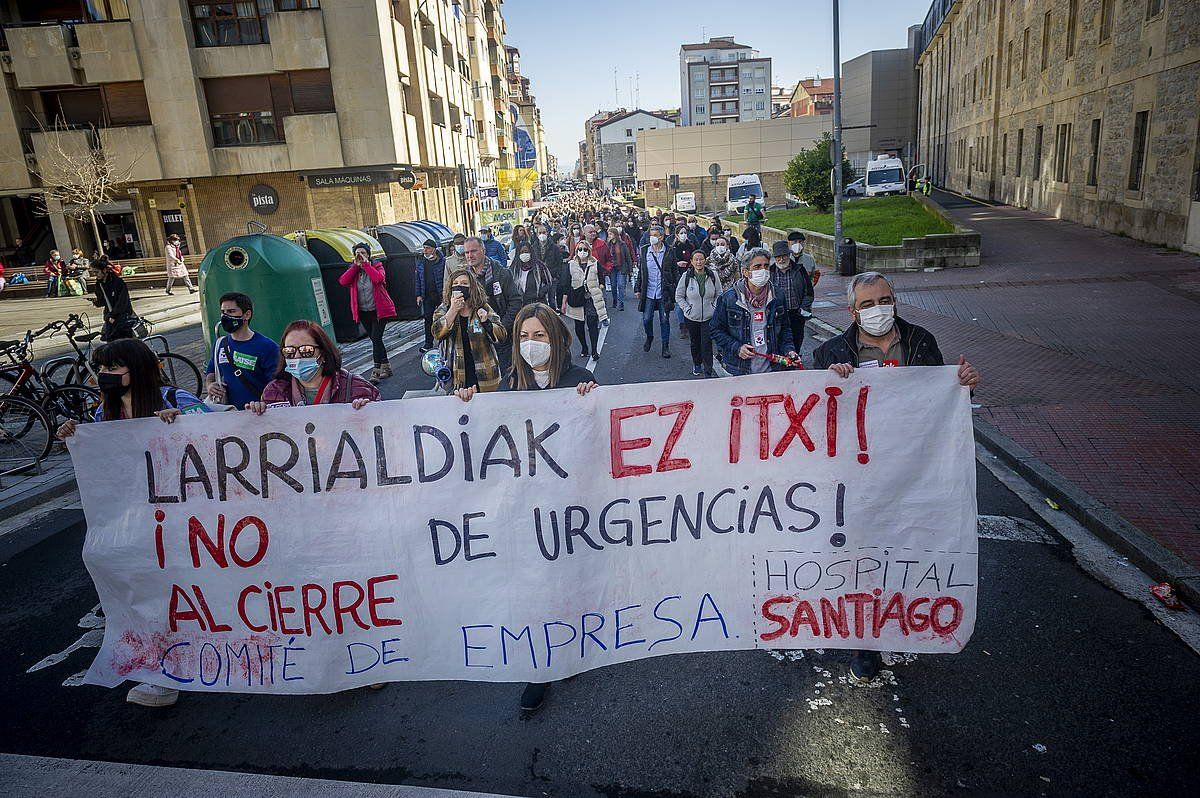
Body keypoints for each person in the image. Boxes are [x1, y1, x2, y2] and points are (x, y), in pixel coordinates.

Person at [813, 271, 980, 683]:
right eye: (867, 304)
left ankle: (907, 618)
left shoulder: (921, 341)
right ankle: (865, 642)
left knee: (910, 550)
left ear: (895, 301)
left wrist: (962, 386)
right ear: (853, 312)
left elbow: (939, 400)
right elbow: (815, 416)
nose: (877, 309)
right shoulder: (831, 352)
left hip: (913, 473)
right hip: (858, 479)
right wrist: (828, 384)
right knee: (862, 562)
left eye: (884, 299)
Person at [453, 301, 598, 713]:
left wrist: (592, 401)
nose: (530, 344)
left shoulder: (579, 380)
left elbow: (594, 442)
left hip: (570, 508)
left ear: (556, 339)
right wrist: (468, 405)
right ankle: (540, 669)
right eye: (523, 336)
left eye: (539, 336)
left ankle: (570, 648)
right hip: (525, 511)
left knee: (568, 585)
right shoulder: (510, 386)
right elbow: (487, 438)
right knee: (535, 592)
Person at [56, 337, 205, 708]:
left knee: (183, 592)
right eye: (102, 368)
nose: (104, 375)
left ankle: (193, 657)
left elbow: (219, 432)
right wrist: (75, 438)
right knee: (145, 592)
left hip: (182, 518)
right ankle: (163, 672)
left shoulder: (175, 400)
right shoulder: (99, 416)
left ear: (135, 369)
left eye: (113, 368)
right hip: (134, 521)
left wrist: (183, 423)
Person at [250, 320, 379, 411]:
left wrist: (367, 411)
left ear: (322, 353)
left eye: (306, 351)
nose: (297, 357)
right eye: (289, 352)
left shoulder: (358, 389)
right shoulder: (273, 393)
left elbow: (383, 429)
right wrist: (258, 415)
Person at [710, 247, 798, 376]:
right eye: (757, 267)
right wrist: (737, 348)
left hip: (772, 370)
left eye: (766, 266)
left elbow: (785, 329)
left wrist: (789, 350)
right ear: (745, 272)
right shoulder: (729, 298)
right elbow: (715, 330)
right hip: (739, 371)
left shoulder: (777, 296)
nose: (763, 270)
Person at [432, 267, 507, 392]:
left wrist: (487, 323)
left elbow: (502, 335)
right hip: (457, 374)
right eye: (455, 284)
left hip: (484, 373)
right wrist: (453, 310)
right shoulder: (444, 309)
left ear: (471, 287)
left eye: (464, 284)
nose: (459, 286)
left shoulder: (482, 307)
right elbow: (437, 333)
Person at [204, 292, 280, 410]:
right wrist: (210, 385)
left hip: (259, 413)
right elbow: (211, 372)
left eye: (231, 311)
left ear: (247, 314)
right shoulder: (220, 344)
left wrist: (265, 403)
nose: (225, 316)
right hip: (231, 414)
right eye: (223, 312)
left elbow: (278, 384)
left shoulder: (267, 347)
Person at [337, 242, 397, 382]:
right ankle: (386, 366)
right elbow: (343, 281)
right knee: (376, 340)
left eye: (363, 253)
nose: (361, 255)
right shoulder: (354, 270)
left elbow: (378, 279)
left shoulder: (377, 266)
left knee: (376, 339)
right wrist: (355, 267)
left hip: (379, 311)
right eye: (358, 253)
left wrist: (366, 265)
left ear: (368, 255)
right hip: (364, 311)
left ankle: (376, 371)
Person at [463, 235, 520, 375]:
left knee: (507, 376)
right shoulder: (464, 278)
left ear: (483, 250)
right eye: (466, 252)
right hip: (477, 338)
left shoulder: (501, 274)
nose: (470, 255)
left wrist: (502, 327)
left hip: (501, 338)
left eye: (474, 251)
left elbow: (516, 301)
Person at [676, 248, 722, 377]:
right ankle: (697, 363)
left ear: (705, 260)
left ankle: (708, 370)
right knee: (695, 343)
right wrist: (687, 308)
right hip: (692, 317)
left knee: (707, 343)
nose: (699, 262)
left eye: (701, 259)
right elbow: (679, 296)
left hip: (709, 317)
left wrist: (714, 307)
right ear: (691, 261)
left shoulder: (713, 275)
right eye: (696, 259)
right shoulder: (686, 277)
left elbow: (719, 294)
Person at [635, 224, 679, 359]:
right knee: (647, 318)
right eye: (651, 235)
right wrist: (638, 288)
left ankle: (665, 346)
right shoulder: (644, 251)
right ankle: (650, 336)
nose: (652, 238)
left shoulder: (669, 251)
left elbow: (674, 272)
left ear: (661, 237)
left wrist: (675, 290)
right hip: (648, 292)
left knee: (664, 320)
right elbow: (641, 272)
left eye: (655, 236)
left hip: (663, 292)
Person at [561, 238, 607, 361]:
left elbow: (602, 279)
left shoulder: (595, 263)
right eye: (580, 249)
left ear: (589, 251)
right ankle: (584, 347)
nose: (582, 252)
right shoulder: (571, 265)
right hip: (577, 298)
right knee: (579, 325)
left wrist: (599, 288)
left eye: (585, 249)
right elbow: (565, 284)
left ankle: (594, 350)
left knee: (593, 324)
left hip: (591, 298)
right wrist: (563, 302)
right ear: (576, 251)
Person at [770, 238, 816, 353]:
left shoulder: (799, 270)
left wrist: (803, 309)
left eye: (784, 256)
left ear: (788, 255)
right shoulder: (770, 272)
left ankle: (795, 363)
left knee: (796, 342)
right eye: (778, 257)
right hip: (778, 314)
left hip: (796, 313)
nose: (781, 260)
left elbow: (809, 292)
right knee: (778, 342)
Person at [90, 256, 136, 341]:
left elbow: (122, 301)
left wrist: (114, 315)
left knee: (125, 343)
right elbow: (103, 301)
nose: (95, 275)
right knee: (111, 343)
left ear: (104, 270)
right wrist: (97, 302)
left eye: (96, 272)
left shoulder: (118, 282)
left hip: (122, 318)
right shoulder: (99, 284)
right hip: (110, 318)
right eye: (93, 273)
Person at [416, 239, 447, 353]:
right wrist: (418, 294)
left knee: (441, 318)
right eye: (424, 248)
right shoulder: (421, 262)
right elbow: (418, 279)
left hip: (440, 295)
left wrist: (446, 294)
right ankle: (428, 343)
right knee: (428, 319)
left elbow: (446, 278)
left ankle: (442, 341)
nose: (425, 250)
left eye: (427, 248)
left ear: (433, 249)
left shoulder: (442, 261)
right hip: (427, 296)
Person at [513, 241, 555, 307]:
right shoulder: (514, 269)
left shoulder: (539, 266)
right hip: (520, 305)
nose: (524, 254)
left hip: (537, 303)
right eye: (522, 252)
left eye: (526, 252)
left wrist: (540, 293)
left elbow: (549, 282)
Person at [607, 223, 634, 311]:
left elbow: (627, 257)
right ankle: (615, 300)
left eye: (610, 234)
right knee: (613, 285)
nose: (609, 236)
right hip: (612, 268)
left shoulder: (622, 244)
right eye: (608, 234)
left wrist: (630, 269)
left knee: (621, 285)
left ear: (615, 234)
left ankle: (621, 303)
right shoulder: (608, 244)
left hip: (621, 267)